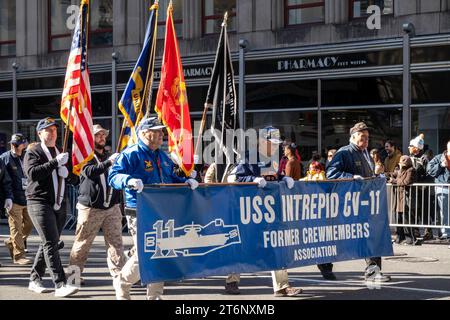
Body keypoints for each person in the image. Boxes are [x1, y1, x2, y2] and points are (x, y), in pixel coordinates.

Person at [109, 117, 199, 300]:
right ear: (143, 133)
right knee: (146, 253)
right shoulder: (131, 154)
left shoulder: (162, 156)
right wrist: (129, 180)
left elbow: (170, 178)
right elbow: (113, 176)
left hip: (163, 211)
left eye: (161, 131)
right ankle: (122, 282)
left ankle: (155, 295)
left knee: (161, 252)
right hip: (140, 212)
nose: (161, 135)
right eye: (156, 131)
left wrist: (186, 182)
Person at [228, 126, 302, 297]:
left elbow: (274, 176)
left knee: (276, 244)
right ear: (262, 141)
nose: (276, 147)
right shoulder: (248, 157)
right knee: (242, 245)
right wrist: (253, 179)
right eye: (272, 143)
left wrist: (285, 178)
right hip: (248, 210)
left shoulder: (274, 158)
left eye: (277, 144)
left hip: (268, 210)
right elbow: (235, 178)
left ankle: (282, 286)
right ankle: (232, 280)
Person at [326, 122, 391, 283]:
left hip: (364, 204)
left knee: (373, 236)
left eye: (368, 138)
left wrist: (377, 178)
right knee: (339, 239)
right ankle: (324, 264)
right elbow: (331, 173)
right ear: (353, 137)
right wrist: (351, 177)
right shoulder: (344, 153)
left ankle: (373, 272)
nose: (366, 140)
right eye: (363, 137)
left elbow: (367, 176)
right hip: (347, 205)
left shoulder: (365, 153)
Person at [23, 117, 79, 297]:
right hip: (39, 202)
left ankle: (34, 278)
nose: (52, 132)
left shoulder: (60, 151)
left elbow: (73, 179)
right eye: (48, 129)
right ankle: (60, 284)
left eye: (54, 129)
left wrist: (67, 173)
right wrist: (55, 163)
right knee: (50, 243)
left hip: (59, 202)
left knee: (50, 242)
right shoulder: (33, 151)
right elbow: (32, 174)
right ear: (40, 133)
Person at [68, 124, 125, 292]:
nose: (102, 137)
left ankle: (120, 276)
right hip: (91, 208)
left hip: (112, 207)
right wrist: (109, 162)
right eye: (97, 135)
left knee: (116, 244)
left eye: (103, 134)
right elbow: (89, 172)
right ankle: (73, 278)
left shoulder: (108, 155)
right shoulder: (85, 157)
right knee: (82, 244)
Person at [299, 161, 337, 280]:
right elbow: (299, 184)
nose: (312, 171)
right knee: (317, 243)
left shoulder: (323, 178)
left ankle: (328, 267)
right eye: (310, 168)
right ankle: (323, 267)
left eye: (314, 168)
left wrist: (319, 176)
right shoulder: (306, 179)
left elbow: (324, 184)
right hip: (312, 216)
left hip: (324, 216)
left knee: (327, 243)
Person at [1, 133, 33, 265]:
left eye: (17, 143)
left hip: (26, 197)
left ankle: (11, 242)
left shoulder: (26, 156)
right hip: (13, 199)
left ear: (23, 144)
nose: (14, 146)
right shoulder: (5, 158)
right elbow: (5, 180)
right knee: (16, 227)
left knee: (30, 225)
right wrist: (8, 197)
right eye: (13, 144)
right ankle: (19, 256)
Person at [387, 156, 417, 244]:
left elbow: (406, 182)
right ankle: (399, 238)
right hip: (398, 198)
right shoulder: (399, 170)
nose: (402, 165)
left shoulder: (411, 170)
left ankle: (410, 239)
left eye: (403, 163)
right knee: (398, 218)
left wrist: (394, 181)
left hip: (406, 198)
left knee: (406, 219)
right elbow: (392, 175)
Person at [427, 139, 450, 239]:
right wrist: (441, 165)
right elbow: (430, 170)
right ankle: (446, 233)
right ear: (447, 148)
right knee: (444, 212)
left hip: (444, 186)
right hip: (442, 187)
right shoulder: (439, 157)